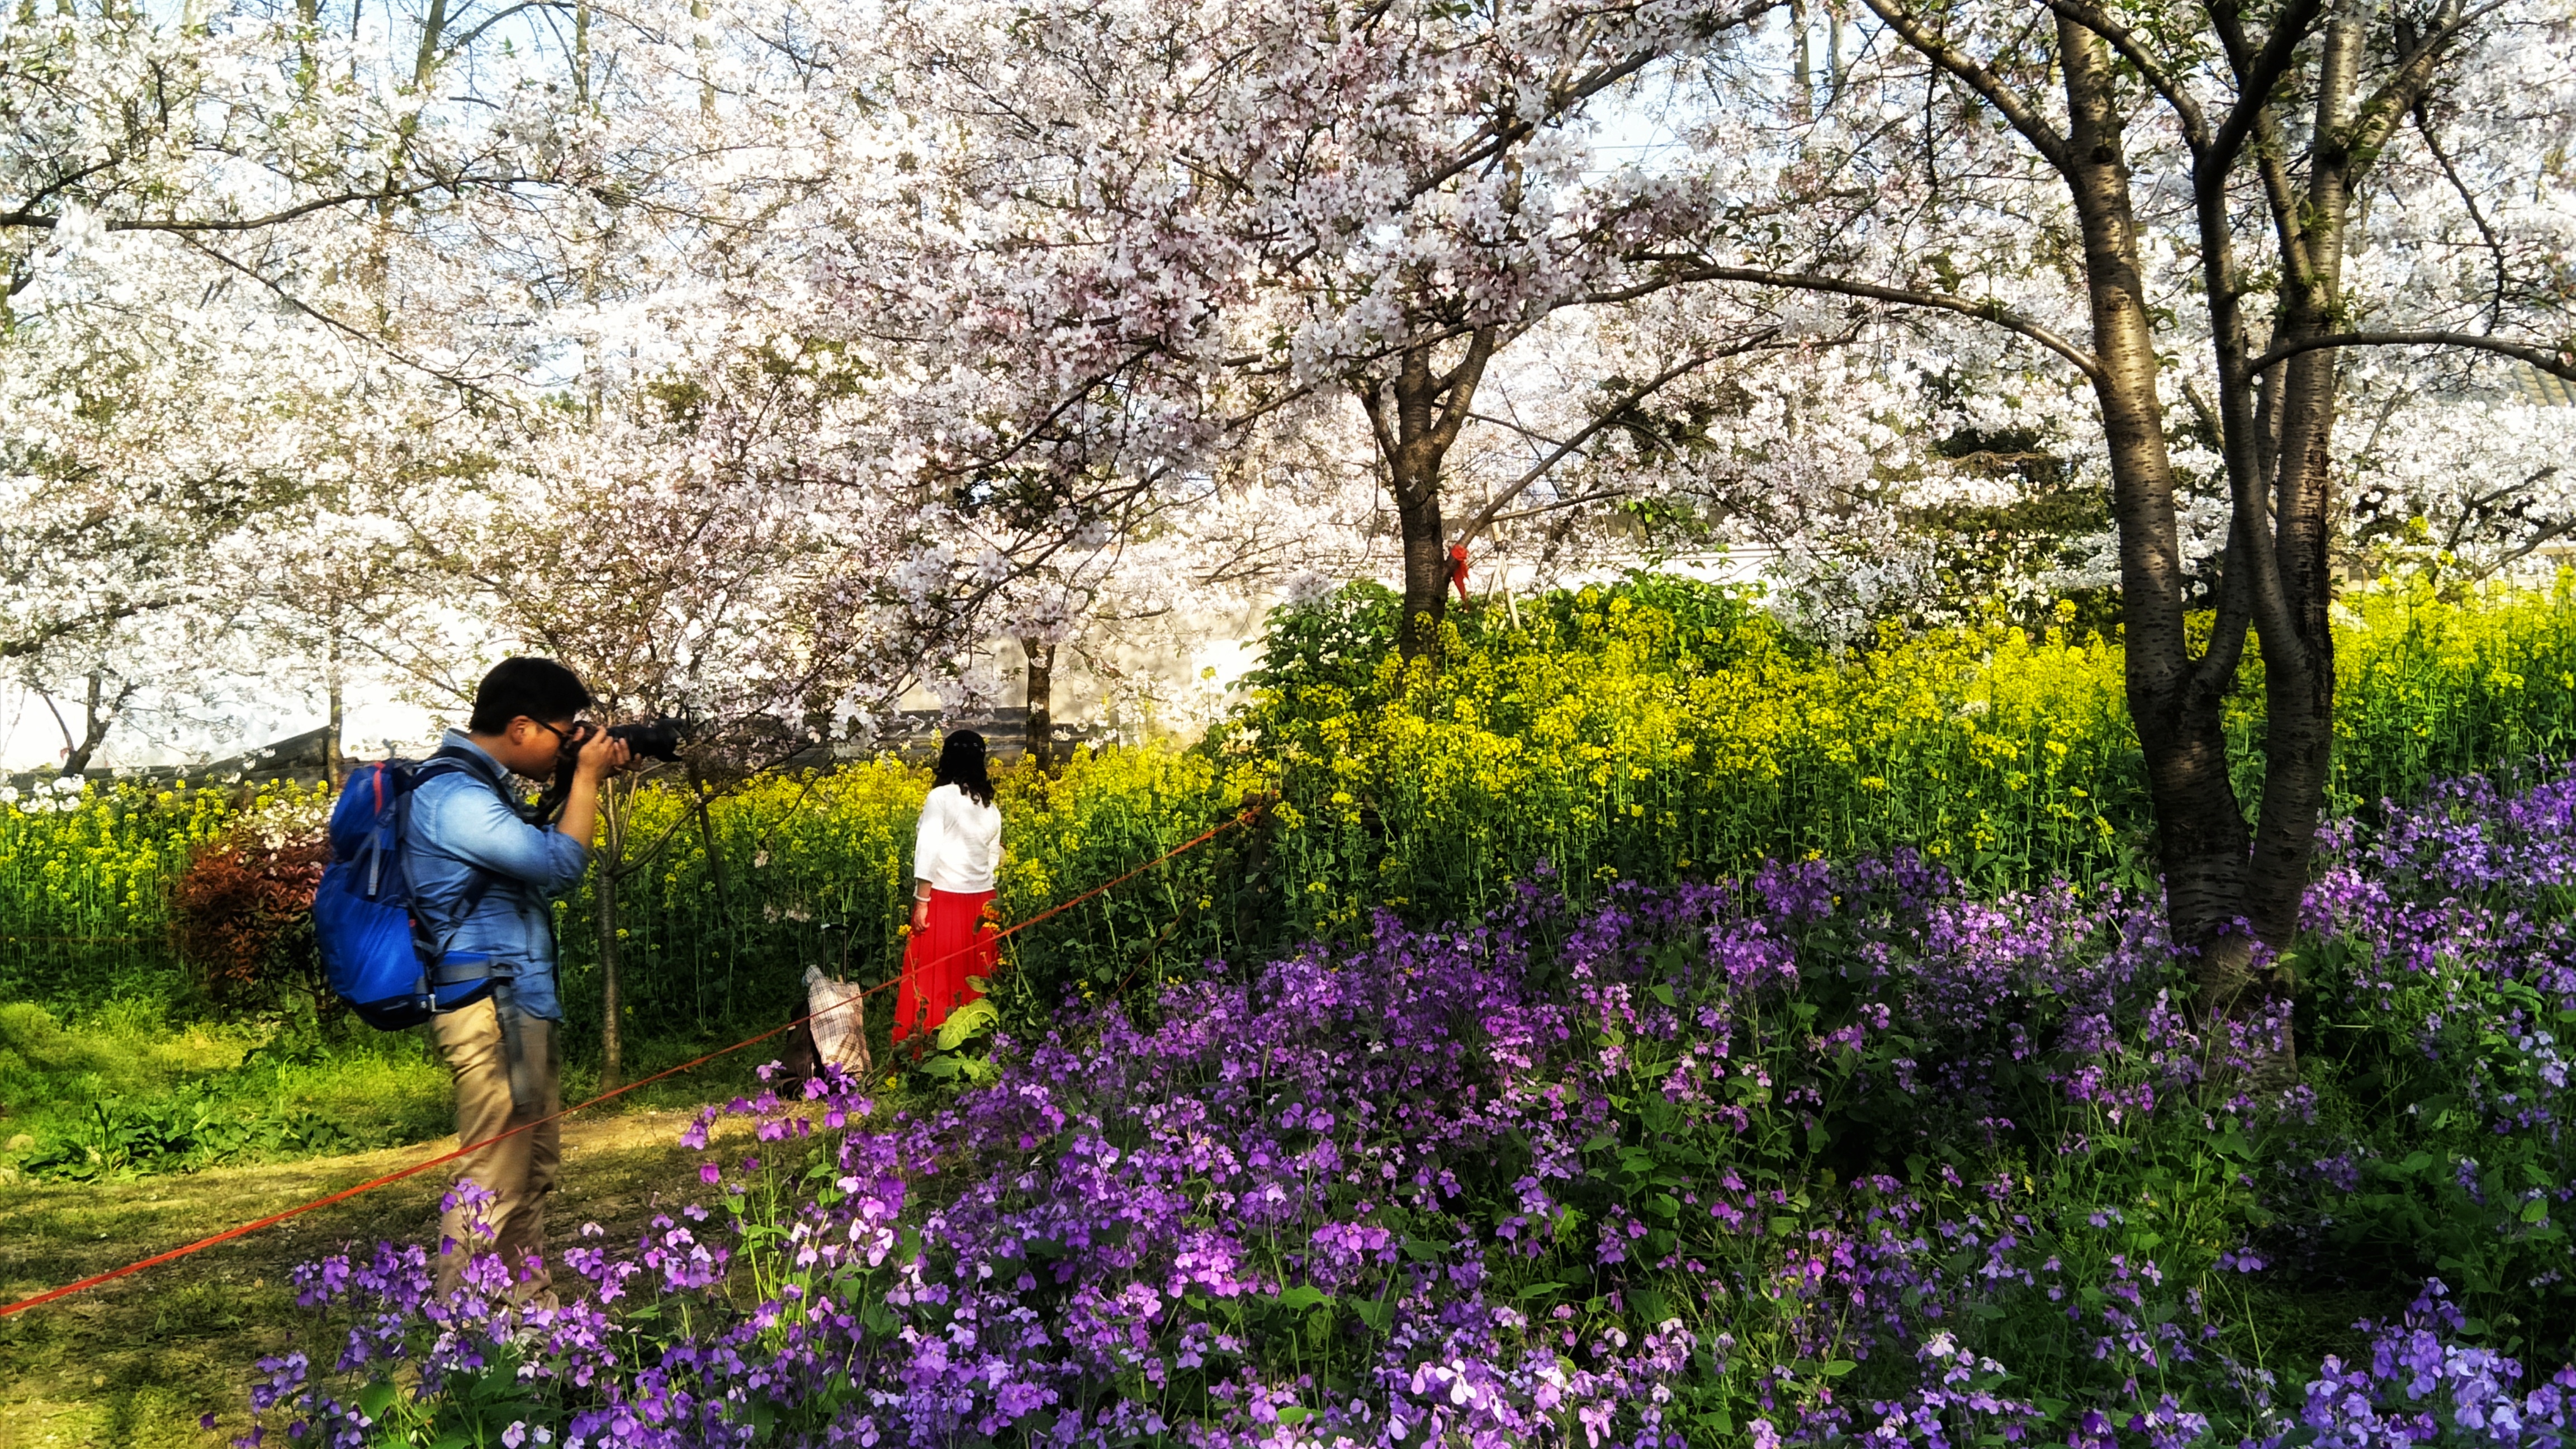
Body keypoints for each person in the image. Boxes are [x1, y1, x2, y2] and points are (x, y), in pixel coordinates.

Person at [408, 657, 633, 1300]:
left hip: (515, 1000)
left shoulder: (479, 789)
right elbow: (559, 867)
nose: (568, 748)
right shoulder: (452, 796)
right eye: (564, 737)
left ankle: (528, 1323)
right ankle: (464, 1343)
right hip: (489, 1006)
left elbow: (532, 851)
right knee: (493, 1178)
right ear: (521, 726)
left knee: (530, 1174)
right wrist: (587, 778)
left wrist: (577, 777)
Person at [896, 730, 1003, 1046]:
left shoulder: (939, 798)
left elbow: (927, 851)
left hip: (943, 899)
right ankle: (974, 1045)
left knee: (933, 977)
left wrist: (921, 900)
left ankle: (926, 1045)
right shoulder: (990, 807)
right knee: (974, 978)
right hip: (983, 904)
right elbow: (994, 858)